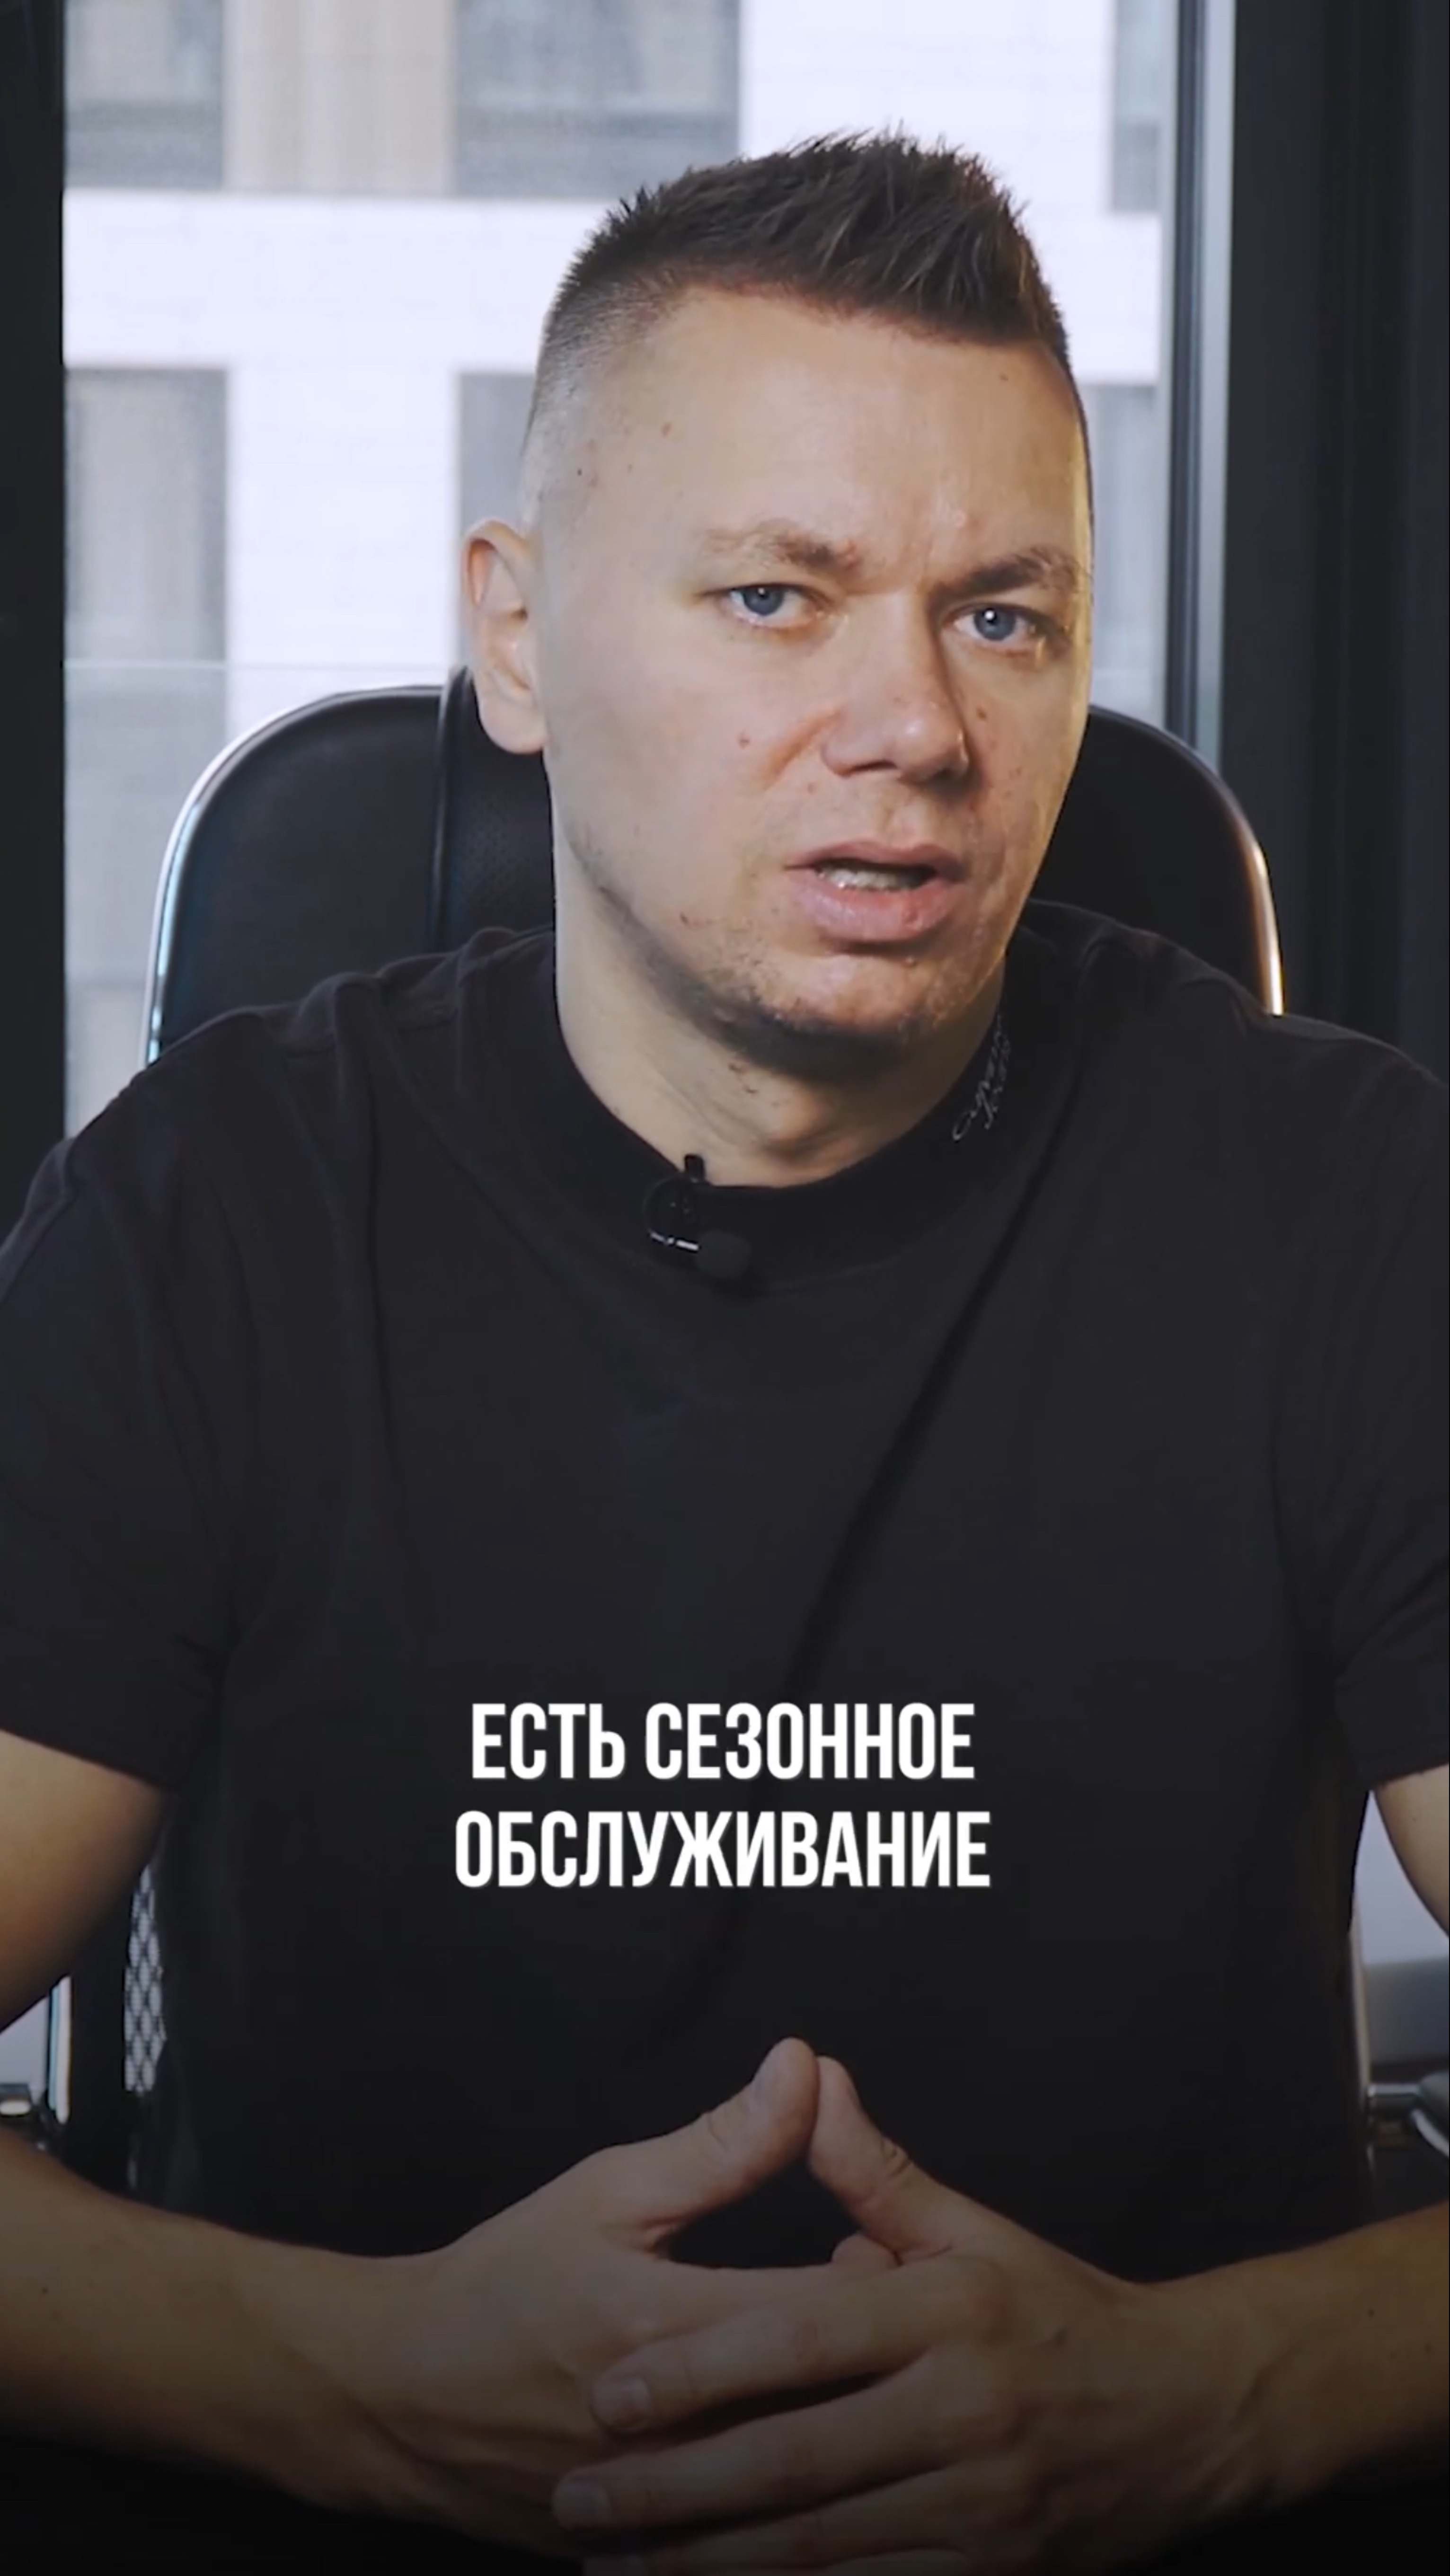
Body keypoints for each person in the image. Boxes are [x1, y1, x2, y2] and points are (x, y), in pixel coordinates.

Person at [0, 132, 1444, 2573]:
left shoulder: (1336, 1201)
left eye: (1004, 617)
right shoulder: (213, 1214)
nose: (914, 726)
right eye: (777, 598)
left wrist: (1208, 2403)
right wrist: (357, 2393)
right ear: (519, 634)